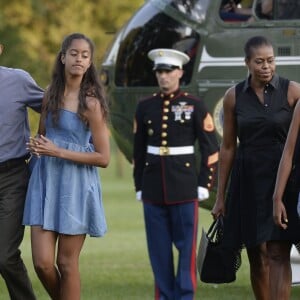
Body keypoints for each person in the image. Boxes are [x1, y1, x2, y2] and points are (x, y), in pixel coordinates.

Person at [211, 35, 300, 300]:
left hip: (284, 179)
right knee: (257, 254)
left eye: (271, 61)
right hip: (247, 178)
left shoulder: (293, 91)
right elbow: (227, 148)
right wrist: (220, 197)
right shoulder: (233, 96)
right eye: (259, 61)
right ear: (246, 63)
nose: (266, 67)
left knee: (278, 251)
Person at [22, 33, 110, 300]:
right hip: (45, 182)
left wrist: (57, 150)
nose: (79, 59)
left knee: (67, 264)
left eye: (85, 56)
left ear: (90, 63)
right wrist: (36, 146)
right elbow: (43, 137)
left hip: (76, 187)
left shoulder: (92, 103)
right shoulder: (49, 94)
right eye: (74, 53)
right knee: (42, 263)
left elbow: (103, 157)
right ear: (63, 57)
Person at [133, 48, 219, 299]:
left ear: (180, 72)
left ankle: (184, 295)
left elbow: (210, 148)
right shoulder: (145, 106)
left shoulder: (194, 105)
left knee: (186, 248)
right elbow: (139, 151)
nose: (163, 76)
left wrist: (205, 182)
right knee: (158, 251)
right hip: (152, 189)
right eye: (159, 71)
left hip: (184, 188)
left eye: (168, 71)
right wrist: (139, 185)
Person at [0, 43, 44, 299]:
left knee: (5, 255)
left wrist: (45, 140)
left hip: (12, 177)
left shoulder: (18, 80)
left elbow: (54, 107)